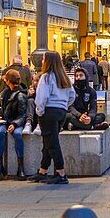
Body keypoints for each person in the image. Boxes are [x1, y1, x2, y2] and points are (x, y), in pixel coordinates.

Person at [32, 52, 75, 185]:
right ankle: (43, 171)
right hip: (61, 112)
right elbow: (72, 95)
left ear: (48, 61)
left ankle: (61, 173)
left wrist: (39, 111)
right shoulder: (64, 77)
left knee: (52, 144)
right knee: (48, 141)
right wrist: (63, 105)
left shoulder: (46, 77)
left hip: (48, 112)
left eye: (44, 59)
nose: (42, 60)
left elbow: (42, 97)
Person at [0, 69, 28, 180]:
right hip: (4, 120)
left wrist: (14, 124)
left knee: (18, 135)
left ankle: (21, 166)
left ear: (8, 81)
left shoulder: (21, 95)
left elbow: (23, 114)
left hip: (16, 122)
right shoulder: (4, 93)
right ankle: (0, 166)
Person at [65, 66, 109, 131]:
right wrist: (79, 115)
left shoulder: (91, 91)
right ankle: (92, 127)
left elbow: (93, 107)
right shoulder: (71, 90)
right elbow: (70, 107)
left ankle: (78, 126)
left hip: (85, 115)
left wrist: (90, 117)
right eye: (76, 76)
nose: (78, 78)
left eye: (81, 75)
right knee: (68, 117)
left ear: (86, 77)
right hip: (75, 115)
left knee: (102, 116)